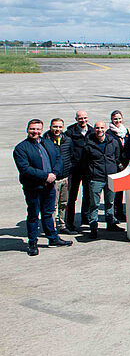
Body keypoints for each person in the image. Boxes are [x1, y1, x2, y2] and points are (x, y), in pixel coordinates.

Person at [14, 119, 73, 256]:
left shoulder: (47, 143)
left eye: (38, 129)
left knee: (48, 213)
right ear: (27, 129)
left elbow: (59, 159)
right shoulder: (21, 148)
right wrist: (45, 176)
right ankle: (32, 243)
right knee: (34, 215)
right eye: (32, 129)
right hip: (34, 187)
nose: (35, 132)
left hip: (49, 185)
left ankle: (53, 238)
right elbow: (25, 169)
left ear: (42, 130)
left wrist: (55, 174)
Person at [85, 120, 123, 238]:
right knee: (94, 204)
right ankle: (93, 227)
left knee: (110, 202)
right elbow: (85, 161)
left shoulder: (113, 142)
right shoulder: (89, 144)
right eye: (97, 128)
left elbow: (116, 158)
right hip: (96, 178)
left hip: (110, 177)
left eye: (102, 128)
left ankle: (111, 223)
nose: (99, 130)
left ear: (105, 129)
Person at [43, 118, 74, 234]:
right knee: (52, 205)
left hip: (65, 177)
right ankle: (52, 228)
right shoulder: (45, 141)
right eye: (55, 127)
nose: (57, 129)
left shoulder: (67, 140)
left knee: (64, 203)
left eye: (60, 127)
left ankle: (62, 225)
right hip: (53, 179)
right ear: (50, 127)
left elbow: (71, 155)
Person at [66, 110, 93, 231]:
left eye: (85, 118)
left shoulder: (92, 131)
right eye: (80, 118)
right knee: (72, 197)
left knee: (87, 195)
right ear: (76, 119)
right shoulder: (70, 132)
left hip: (87, 169)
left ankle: (85, 217)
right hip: (75, 169)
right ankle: (69, 221)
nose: (83, 120)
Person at [107, 110, 129, 222]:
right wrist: (119, 163)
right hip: (116, 165)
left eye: (119, 118)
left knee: (122, 191)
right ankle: (115, 213)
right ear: (111, 120)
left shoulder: (125, 131)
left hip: (126, 165)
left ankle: (120, 212)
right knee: (116, 192)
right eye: (115, 119)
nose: (117, 121)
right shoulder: (109, 133)